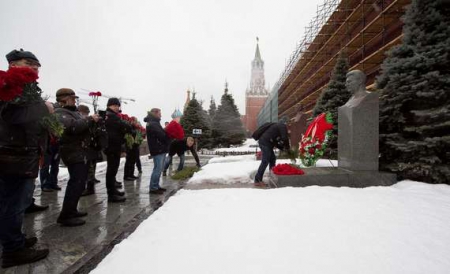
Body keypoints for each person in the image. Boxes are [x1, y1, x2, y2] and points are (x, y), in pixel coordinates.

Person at [0, 49, 51, 268]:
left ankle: (15, 239)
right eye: (29, 62)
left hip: (22, 154)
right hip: (13, 156)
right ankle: (12, 250)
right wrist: (45, 108)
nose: (35, 67)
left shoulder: (25, 87)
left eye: (37, 64)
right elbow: (13, 114)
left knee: (16, 203)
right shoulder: (8, 84)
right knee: (12, 205)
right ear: (13, 64)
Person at [55, 89, 100, 226]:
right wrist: (89, 119)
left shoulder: (73, 112)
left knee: (80, 183)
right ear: (64, 99)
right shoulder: (60, 113)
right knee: (76, 183)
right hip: (73, 152)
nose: (75, 100)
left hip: (81, 151)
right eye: (72, 98)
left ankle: (72, 209)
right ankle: (66, 215)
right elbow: (73, 128)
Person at [104, 98, 131, 202]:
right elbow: (125, 126)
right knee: (111, 171)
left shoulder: (113, 116)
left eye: (118, 105)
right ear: (109, 106)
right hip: (111, 146)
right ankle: (111, 195)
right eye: (114, 105)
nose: (117, 107)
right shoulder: (110, 116)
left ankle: (113, 191)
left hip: (114, 146)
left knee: (113, 171)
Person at [254, 117, 290, 187]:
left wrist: (283, 148)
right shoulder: (282, 126)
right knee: (265, 161)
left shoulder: (277, 127)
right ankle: (257, 180)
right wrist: (287, 148)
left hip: (266, 143)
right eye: (288, 123)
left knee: (272, 159)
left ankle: (272, 177)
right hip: (265, 143)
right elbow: (285, 138)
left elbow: (276, 141)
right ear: (286, 122)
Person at [78, 105, 102, 196]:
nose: (86, 115)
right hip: (86, 149)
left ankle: (89, 188)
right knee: (87, 170)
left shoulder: (88, 121)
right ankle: (87, 187)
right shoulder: (83, 121)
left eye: (87, 113)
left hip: (89, 148)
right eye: (85, 113)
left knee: (89, 170)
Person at [146, 108, 170, 194]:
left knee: (159, 169)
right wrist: (168, 135)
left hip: (159, 148)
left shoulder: (154, 122)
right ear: (155, 113)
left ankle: (156, 185)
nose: (161, 115)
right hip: (158, 149)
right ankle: (153, 187)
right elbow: (161, 136)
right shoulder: (153, 124)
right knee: (157, 168)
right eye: (160, 114)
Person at [39, 101, 62, 192]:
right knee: (45, 165)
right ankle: (45, 184)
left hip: (56, 144)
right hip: (46, 145)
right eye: (52, 108)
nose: (53, 110)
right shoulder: (43, 119)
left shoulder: (56, 118)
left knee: (55, 165)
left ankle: (53, 183)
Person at [123, 117, 139, 181]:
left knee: (133, 161)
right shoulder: (129, 127)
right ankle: (126, 176)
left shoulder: (135, 128)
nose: (136, 122)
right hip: (129, 147)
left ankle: (131, 174)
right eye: (135, 121)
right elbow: (128, 136)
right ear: (132, 121)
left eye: (136, 121)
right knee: (128, 161)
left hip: (134, 147)